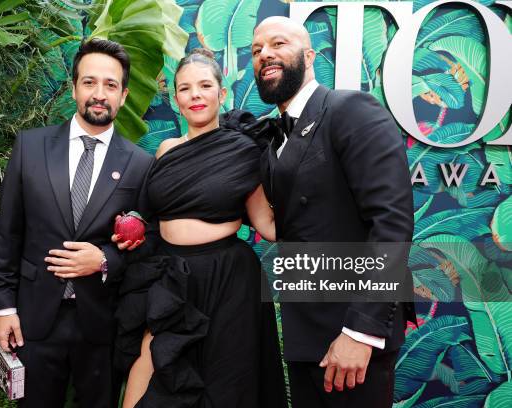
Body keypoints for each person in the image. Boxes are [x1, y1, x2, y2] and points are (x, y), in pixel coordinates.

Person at [251, 16, 416, 408]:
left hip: (351, 332)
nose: (265, 54)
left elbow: (391, 223)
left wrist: (361, 331)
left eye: (278, 44)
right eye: (256, 51)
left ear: (309, 56)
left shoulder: (349, 109)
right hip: (305, 330)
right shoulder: (275, 136)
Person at [114, 48, 287, 408]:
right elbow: (150, 218)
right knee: (146, 375)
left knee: (225, 386)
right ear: (176, 99)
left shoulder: (244, 149)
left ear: (221, 94)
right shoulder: (165, 149)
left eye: (205, 85)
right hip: (172, 276)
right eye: (185, 88)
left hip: (229, 279)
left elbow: (266, 223)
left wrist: (329, 223)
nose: (195, 94)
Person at [0, 39, 153, 408]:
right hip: (32, 319)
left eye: (110, 85)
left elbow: (149, 246)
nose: (99, 94)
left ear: (124, 95)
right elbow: (7, 234)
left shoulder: (140, 164)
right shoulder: (30, 147)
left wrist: (105, 260)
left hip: (101, 324)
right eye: (90, 82)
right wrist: (3, 310)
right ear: (74, 88)